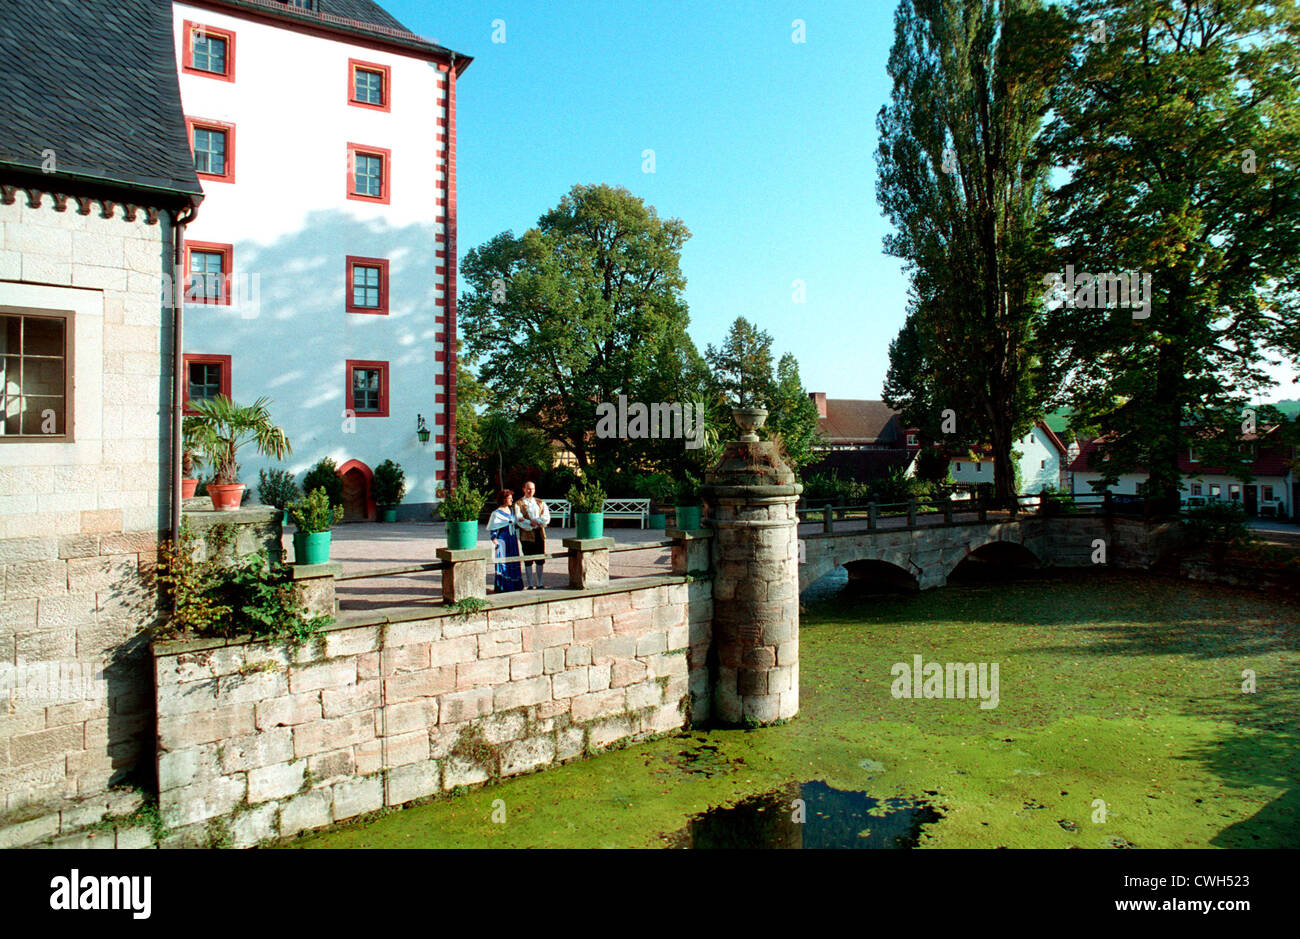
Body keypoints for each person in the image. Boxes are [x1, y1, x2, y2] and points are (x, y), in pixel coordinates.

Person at [514, 480, 551, 589]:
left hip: (539, 533)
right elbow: (519, 519)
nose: (531, 491)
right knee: (528, 559)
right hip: (526, 534)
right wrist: (531, 524)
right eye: (528, 488)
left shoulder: (540, 502)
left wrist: (537, 522)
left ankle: (539, 583)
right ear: (524, 489)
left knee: (540, 558)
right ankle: (530, 583)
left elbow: (546, 517)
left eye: (532, 489)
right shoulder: (518, 504)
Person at [487, 490, 524, 593]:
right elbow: (493, 528)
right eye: (509, 498)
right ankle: (503, 585)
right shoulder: (496, 513)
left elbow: (517, 521)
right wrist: (494, 539)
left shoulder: (512, 510)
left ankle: (515, 585)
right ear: (504, 499)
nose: (512, 499)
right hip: (503, 539)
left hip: (512, 538)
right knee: (503, 560)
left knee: (513, 559)